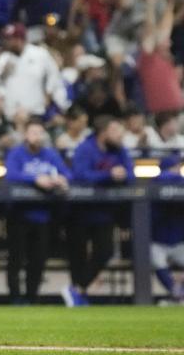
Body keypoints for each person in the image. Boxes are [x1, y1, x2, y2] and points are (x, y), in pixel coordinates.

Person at [63, 115, 134, 307]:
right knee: (77, 255)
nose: (120, 135)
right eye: (115, 131)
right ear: (103, 133)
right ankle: (78, 295)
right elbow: (80, 175)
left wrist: (123, 175)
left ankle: (77, 289)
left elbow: (131, 174)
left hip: (104, 212)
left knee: (105, 251)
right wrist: (108, 175)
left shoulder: (119, 151)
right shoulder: (86, 148)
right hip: (80, 211)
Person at [4, 119, 72, 305]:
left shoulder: (49, 154)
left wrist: (60, 179)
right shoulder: (17, 153)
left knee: (38, 260)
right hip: (19, 213)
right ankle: (15, 298)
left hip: (43, 214)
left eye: (40, 132)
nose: (36, 136)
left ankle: (32, 297)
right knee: (16, 259)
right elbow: (11, 174)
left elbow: (67, 173)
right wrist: (35, 179)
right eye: (33, 132)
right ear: (25, 134)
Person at [151, 154, 184, 303]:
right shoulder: (157, 181)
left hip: (178, 242)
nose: (178, 170)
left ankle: (179, 294)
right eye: (176, 167)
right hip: (157, 241)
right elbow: (164, 177)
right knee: (156, 260)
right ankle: (178, 294)